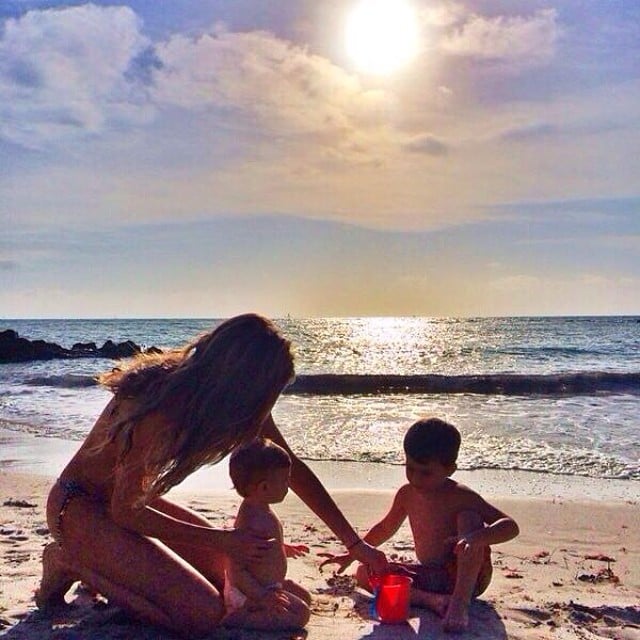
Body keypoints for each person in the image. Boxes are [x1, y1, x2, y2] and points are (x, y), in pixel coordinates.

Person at [36, 313, 387, 638]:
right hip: (79, 507)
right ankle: (70, 561)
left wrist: (356, 544)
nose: (269, 403)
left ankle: (113, 567)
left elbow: (290, 468)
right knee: (203, 614)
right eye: (268, 392)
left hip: (129, 508)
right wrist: (220, 539)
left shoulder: (244, 408)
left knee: (231, 585)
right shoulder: (159, 405)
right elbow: (124, 512)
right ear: (241, 381)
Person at [322, 417, 519, 633]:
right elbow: (385, 528)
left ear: (450, 469)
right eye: (410, 468)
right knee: (363, 572)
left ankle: (458, 604)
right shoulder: (407, 494)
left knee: (468, 518)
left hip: (466, 577)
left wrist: (475, 538)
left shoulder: (461, 496)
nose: (416, 478)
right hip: (431, 575)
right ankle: (433, 601)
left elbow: (509, 526)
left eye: (425, 472)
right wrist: (352, 553)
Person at [223, 437, 311, 630]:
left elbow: (264, 545)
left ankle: (258, 610)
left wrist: (282, 548)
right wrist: (260, 596)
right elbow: (235, 570)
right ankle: (241, 619)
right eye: (285, 480)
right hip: (250, 593)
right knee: (301, 614)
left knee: (304, 596)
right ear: (264, 487)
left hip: (269, 584)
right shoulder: (251, 521)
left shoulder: (261, 509)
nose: (288, 486)